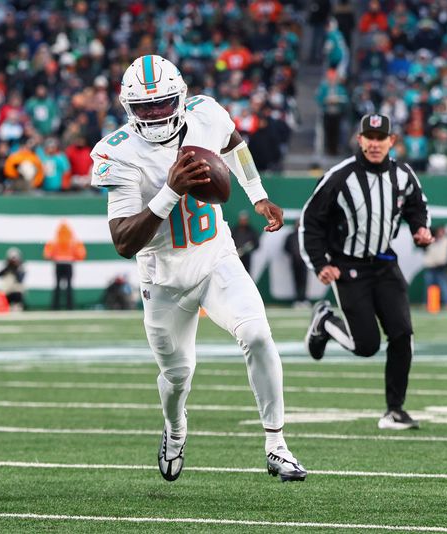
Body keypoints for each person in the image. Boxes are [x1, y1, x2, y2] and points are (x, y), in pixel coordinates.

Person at [91, 54, 306, 482]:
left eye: (162, 103)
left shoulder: (206, 113)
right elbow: (123, 241)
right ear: (127, 107)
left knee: (258, 334)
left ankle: (276, 443)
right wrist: (171, 191)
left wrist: (257, 195)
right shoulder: (117, 152)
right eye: (144, 107)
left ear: (181, 97)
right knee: (177, 375)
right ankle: (175, 428)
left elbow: (235, 142)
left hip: (215, 257)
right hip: (163, 277)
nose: (154, 114)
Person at [300, 113, 433, 431]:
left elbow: (417, 204)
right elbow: (311, 220)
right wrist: (321, 264)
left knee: (402, 335)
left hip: (386, 264)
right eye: (369, 138)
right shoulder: (340, 175)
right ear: (359, 140)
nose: (375, 144)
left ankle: (395, 410)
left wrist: (420, 229)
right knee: (366, 345)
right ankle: (325, 322)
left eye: (380, 138)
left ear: (392, 141)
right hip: (348, 267)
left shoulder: (402, 174)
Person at [43, 220, 87, 310]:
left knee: (57, 286)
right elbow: (81, 254)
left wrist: (54, 257)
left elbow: (47, 254)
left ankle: (55, 307)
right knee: (69, 286)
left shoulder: (55, 241)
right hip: (68, 264)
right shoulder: (73, 241)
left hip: (58, 264)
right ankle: (70, 307)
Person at [422, 226, 447, 308]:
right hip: (431, 267)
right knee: (428, 286)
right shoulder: (430, 239)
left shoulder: (446, 240)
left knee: (444, 286)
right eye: (440, 231)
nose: (441, 233)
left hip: (441, 267)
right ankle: (426, 304)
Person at [284, 221, 309, 307]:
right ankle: (297, 300)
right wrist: (294, 254)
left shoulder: (305, 235)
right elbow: (286, 247)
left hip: (304, 261)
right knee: (296, 281)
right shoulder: (291, 236)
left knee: (304, 281)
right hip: (295, 261)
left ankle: (304, 299)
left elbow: (310, 247)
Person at [0, 247, 26, 311]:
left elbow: (20, 279)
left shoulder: (21, 267)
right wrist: (8, 267)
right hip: (6, 291)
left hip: (16, 291)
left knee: (19, 290)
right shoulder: (6, 266)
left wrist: (15, 269)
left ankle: (17, 307)